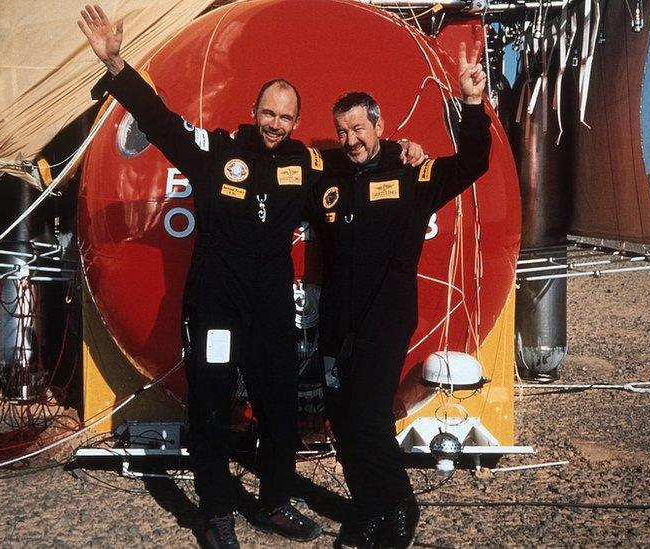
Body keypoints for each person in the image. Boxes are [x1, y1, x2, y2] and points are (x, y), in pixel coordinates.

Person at [78, 6, 427, 548]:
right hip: (216, 304)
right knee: (213, 406)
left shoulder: (306, 163)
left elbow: (360, 157)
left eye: (286, 118)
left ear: (294, 121)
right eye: (268, 113)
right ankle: (215, 512)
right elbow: (161, 122)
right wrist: (117, 65)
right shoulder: (218, 152)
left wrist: (405, 148)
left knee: (280, 406)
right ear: (255, 109)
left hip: (268, 305)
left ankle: (275, 502)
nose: (275, 124)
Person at [307, 41, 491, 548]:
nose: (350, 140)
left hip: (385, 318)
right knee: (343, 421)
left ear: (379, 127)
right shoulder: (329, 172)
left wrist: (471, 103)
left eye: (359, 129)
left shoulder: (412, 172)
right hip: (337, 320)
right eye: (342, 130)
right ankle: (366, 508)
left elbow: (475, 161)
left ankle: (400, 506)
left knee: (367, 419)